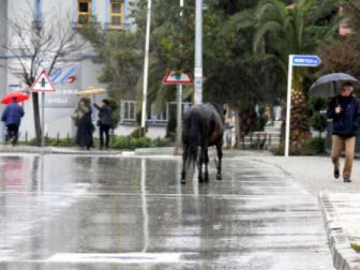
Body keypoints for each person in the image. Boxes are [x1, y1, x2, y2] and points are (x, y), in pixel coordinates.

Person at [327, 82, 360, 183]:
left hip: (350, 133)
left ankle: (346, 175)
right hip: (338, 132)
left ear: (350, 91)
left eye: (344, 89)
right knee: (334, 156)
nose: (342, 91)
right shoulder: (335, 101)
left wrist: (355, 125)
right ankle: (336, 166)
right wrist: (335, 112)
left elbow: (359, 116)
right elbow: (328, 115)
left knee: (349, 155)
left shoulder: (356, 102)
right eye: (341, 89)